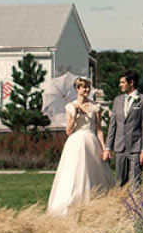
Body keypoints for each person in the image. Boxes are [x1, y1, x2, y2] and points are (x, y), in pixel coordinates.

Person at [47, 78, 115, 216]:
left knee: (95, 173)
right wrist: (75, 114)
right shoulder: (70, 107)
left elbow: (99, 129)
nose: (87, 90)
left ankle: (96, 205)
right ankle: (71, 205)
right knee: (74, 173)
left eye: (88, 87)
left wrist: (105, 148)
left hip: (91, 141)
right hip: (76, 142)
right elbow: (68, 131)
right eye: (83, 87)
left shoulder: (96, 106)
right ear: (77, 89)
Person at [104, 71, 143, 188]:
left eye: (123, 82)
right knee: (120, 181)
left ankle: (136, 204)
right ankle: (120, 205)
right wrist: (108, 147)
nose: (120, 85)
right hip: (119, 147)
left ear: (131, 83)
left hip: (136, 147)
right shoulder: (117, 100)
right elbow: (112, 125)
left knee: (136, 182)